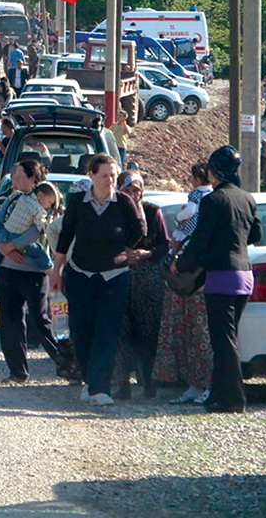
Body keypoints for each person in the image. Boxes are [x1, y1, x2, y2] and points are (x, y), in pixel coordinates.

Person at [50, 154, 145, 406]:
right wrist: (56, 271)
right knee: (82, 332)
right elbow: (66, 235)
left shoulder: (124, 203)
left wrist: (124, 249)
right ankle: (91, 380)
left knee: (107, 331)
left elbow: (139, 230)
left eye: (113, 175)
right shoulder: (78, 202)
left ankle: (99, 388)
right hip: (81, 274)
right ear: (91, 175)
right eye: (104, 175)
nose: (109, 180)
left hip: (114, 276)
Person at [175, 145, 262, 413]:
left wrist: (182, 264)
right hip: (245, 275)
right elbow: (255, 235)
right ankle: (217, 395)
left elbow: (200, 240)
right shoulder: (247, 198)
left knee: (223, 342)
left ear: (214, 173)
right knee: (229, 338)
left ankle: (233, 399)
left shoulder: (212, 201)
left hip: (221, 277)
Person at [0, 159, 79, 383]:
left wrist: (13, 246)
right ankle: (17, 371)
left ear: (33, 177)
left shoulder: (46, 201)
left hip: (34, 272)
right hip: (8, 269)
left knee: (41, 320)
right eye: (14, 175)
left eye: (19, 176)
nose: (15, 180)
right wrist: (2, 247)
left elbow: (37, 232)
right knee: (10, 321)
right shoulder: (11, 198)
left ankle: (66, 362)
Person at [153, 162, 215, 405]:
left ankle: (207, 384)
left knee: (201, 337)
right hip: (184, 283)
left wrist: (179, 216)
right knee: (188, 336)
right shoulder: (210, 199)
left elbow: (187, 214)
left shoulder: (201, 199)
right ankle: (193, 384)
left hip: (197, 279)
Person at [112, 171, 169, 400]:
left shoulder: (153, 212)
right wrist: (123, 253)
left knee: (148, 332)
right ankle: (122, 384)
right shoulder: (112, 211)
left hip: (148, 278)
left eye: (137, 190)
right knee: (121, 332)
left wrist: (146, 253)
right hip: (119, 275)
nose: (134, 194)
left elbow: (164, 246)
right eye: (129, 189)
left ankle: (148, 383)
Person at [0, 179, 59, 291]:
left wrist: (3, 246)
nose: (49, 206)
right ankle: (50, 271)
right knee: (38, 252)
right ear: (40, 195)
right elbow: (41, 228)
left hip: (5, 233)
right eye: (49, 202)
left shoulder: (20, 198)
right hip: (18, 237)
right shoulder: (37, 209)